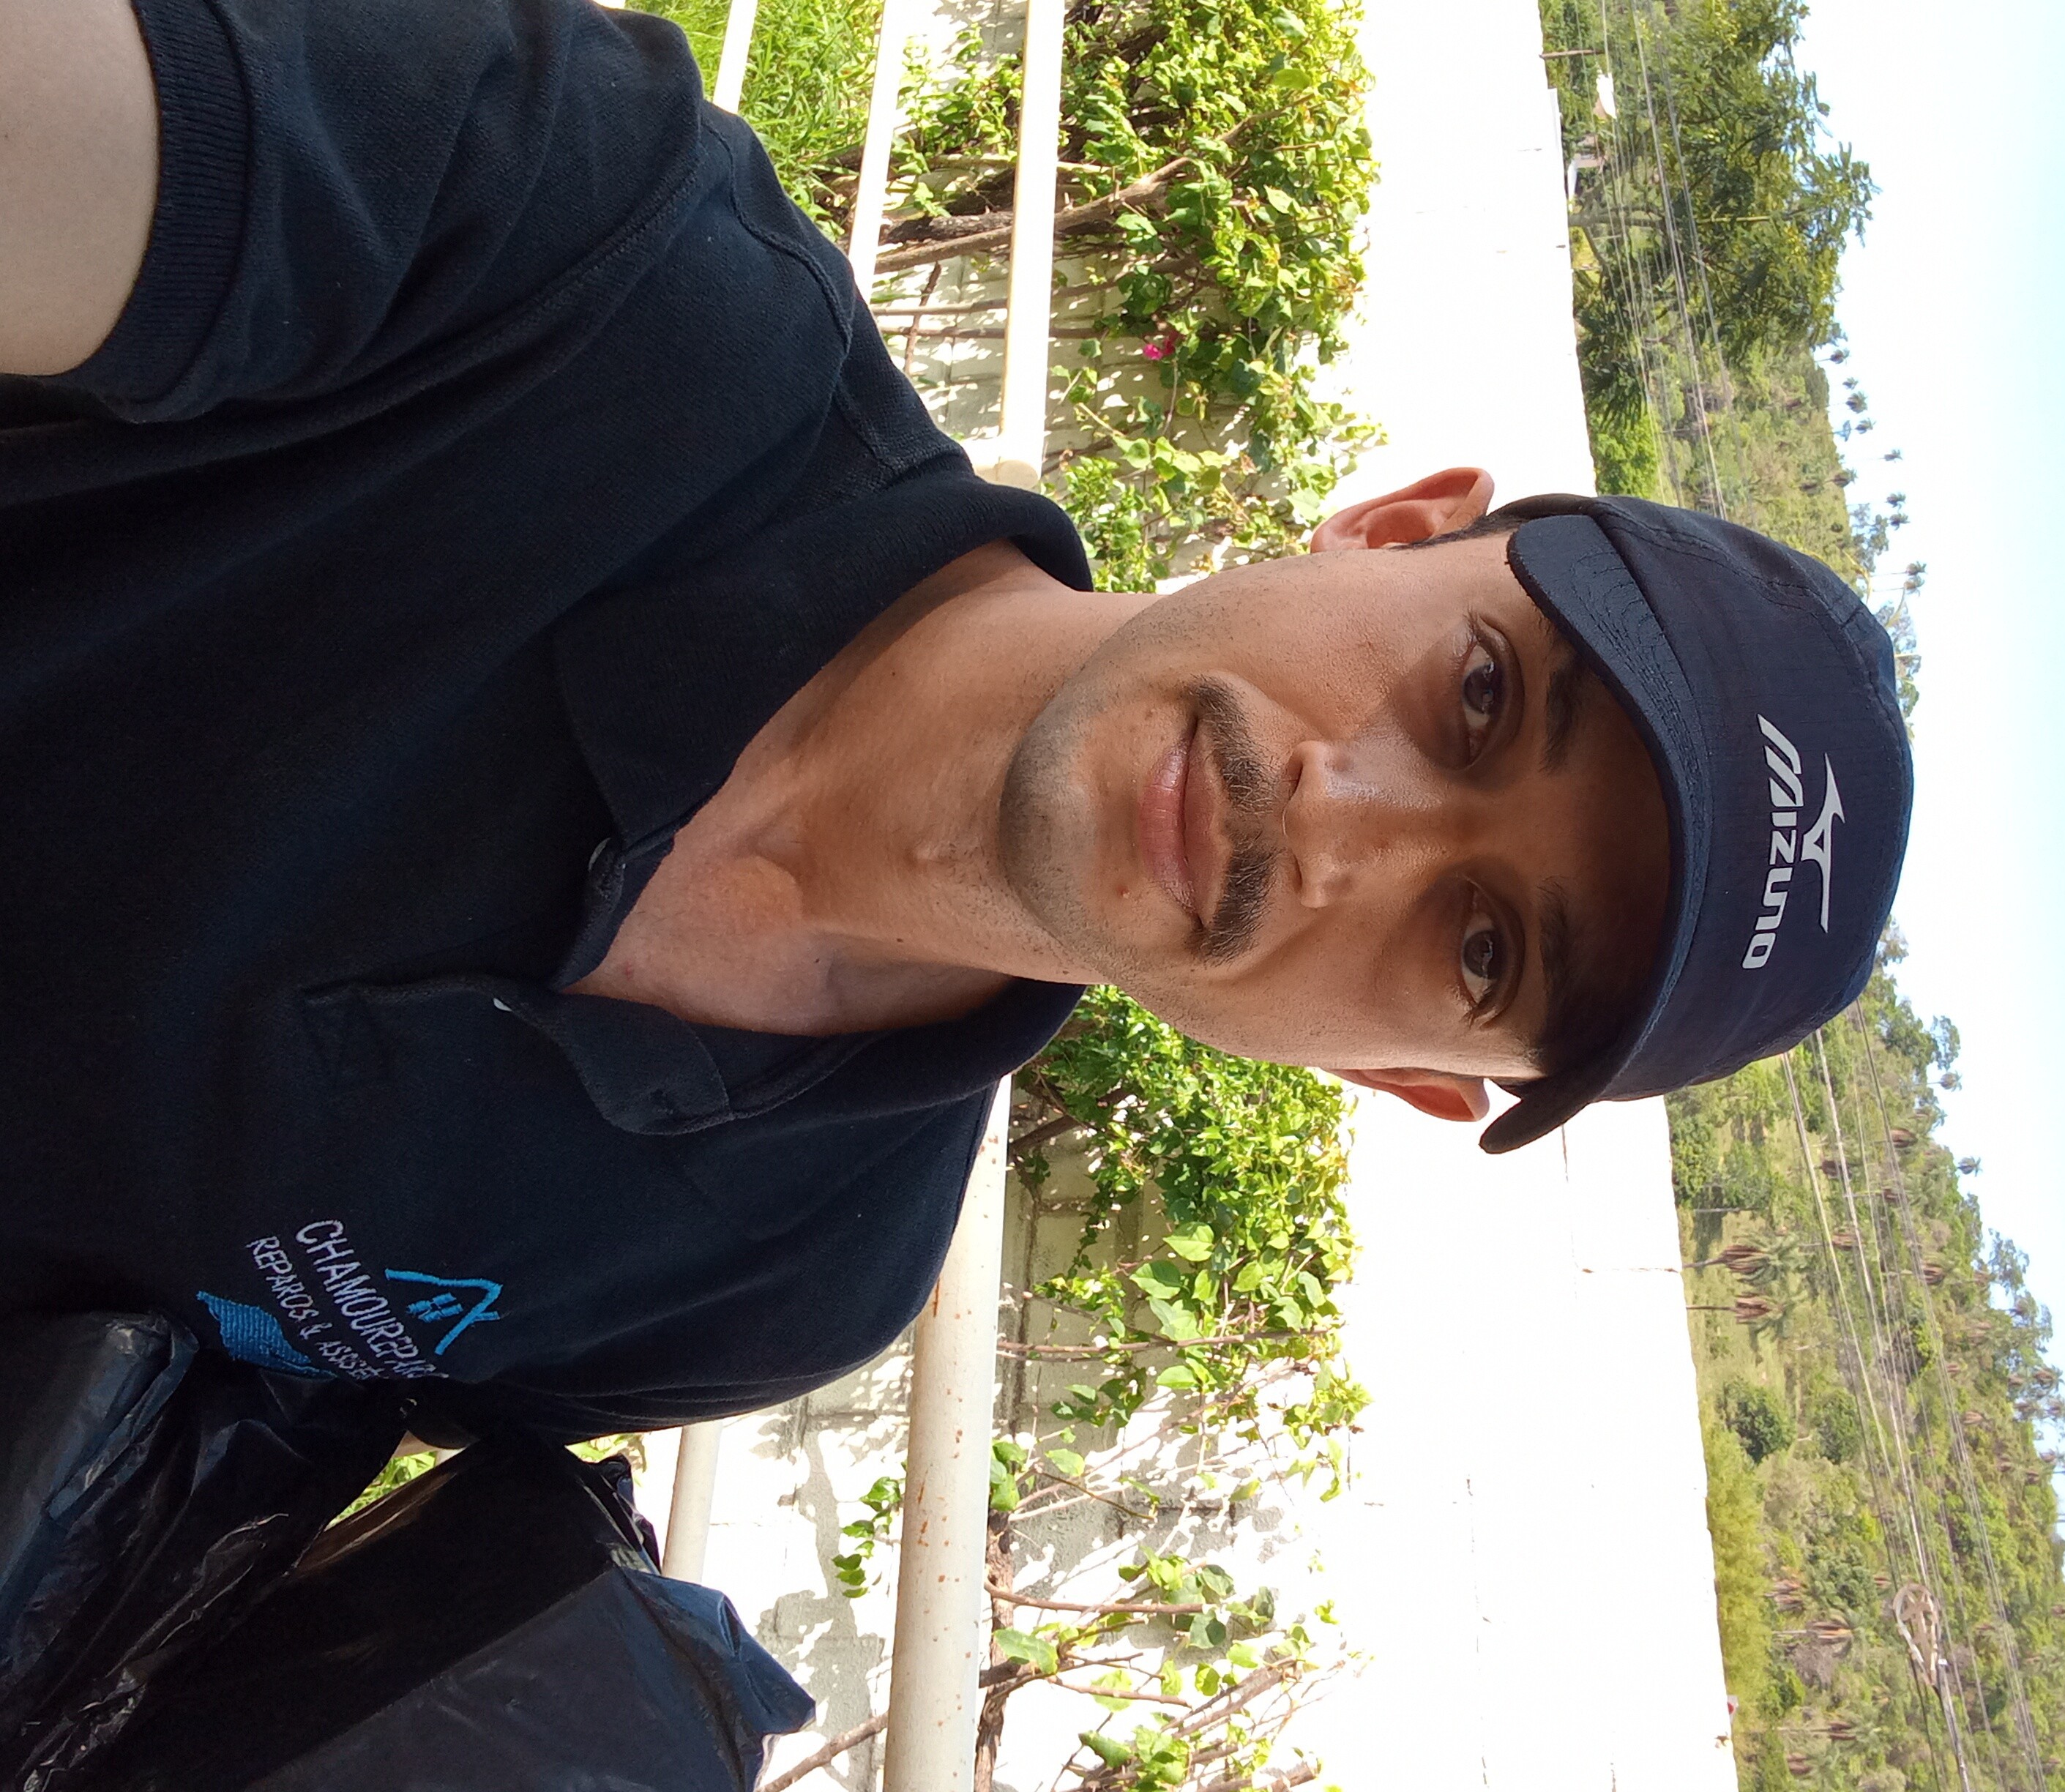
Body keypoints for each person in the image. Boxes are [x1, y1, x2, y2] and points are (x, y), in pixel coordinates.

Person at [0, 0, 1912, 1441]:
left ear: (1396, 1075)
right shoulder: (596, 259)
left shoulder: (782, 1281)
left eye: (1484, 948)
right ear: (1399, 526)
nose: (1347, 820)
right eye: (1482, 696)